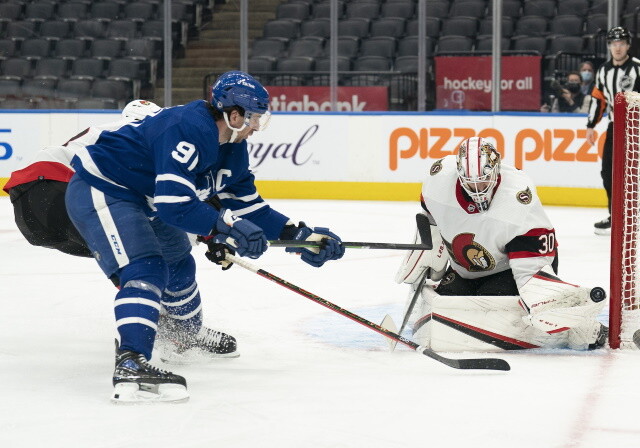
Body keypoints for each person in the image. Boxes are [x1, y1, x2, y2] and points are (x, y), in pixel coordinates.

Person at [64, 70, 345, 404]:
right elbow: (174, 205)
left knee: (180, 264)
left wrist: (301, 236)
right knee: (146, 269)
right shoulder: (189, 126)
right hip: (105, 189)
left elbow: (251, 208)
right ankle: (131, 361)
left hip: (145, 201)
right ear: (234, 114)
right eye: (254, 118)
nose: (257, 127)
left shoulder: (233, 149)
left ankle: (183, 335)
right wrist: (225, 225)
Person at [394, 137, 607, 351]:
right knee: (447, 301)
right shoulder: (439, 180)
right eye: (470, 182)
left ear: (496, 170)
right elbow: (430, 218)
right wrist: (429, 250)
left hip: (512, 268)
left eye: (484, 180)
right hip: (465, 268)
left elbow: (531, 266)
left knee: (491, 302)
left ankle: (582, 328)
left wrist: (541, 298)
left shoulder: (516, 197)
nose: (477, 188)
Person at [3, 100, 161, 258]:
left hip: (26, 204)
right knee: (135, 257)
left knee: (123, 259)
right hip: (58, 190)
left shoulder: (104, 130)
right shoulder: (138, 133)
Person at [587, 26, 640, 235]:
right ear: (609, 46)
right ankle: (616, 217)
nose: (618, 48)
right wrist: (591, 125)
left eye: (622, 43)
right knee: (608, 173)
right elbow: (598, 99)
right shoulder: (603, 71)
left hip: (637, 127)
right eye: (614, 43)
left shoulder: (637, 68)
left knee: (634, 173)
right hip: (614, 127)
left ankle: (632, 216)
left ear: (628, 45)